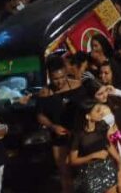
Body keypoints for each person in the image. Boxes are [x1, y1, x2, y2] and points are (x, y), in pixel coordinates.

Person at [37, 56, 84, 193]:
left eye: (62, 77)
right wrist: (52, 126)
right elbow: (40, 115)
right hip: (59, 137)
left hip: (79, 134)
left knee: (84, 168)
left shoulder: (77, 85)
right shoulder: (45, 93)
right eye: (55, 79)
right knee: (64, 171)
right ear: (49, 77)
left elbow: (87, 107)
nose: (59, 82)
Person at [69, 100, 120, 193]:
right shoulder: (78, 135)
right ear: (88, 116)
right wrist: (93, 156)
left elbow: (108, 144)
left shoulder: (102, 126)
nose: (101, 113)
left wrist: (119, 160)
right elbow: (73, 161)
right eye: (97, 111)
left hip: (107, 167)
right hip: (89, 173)